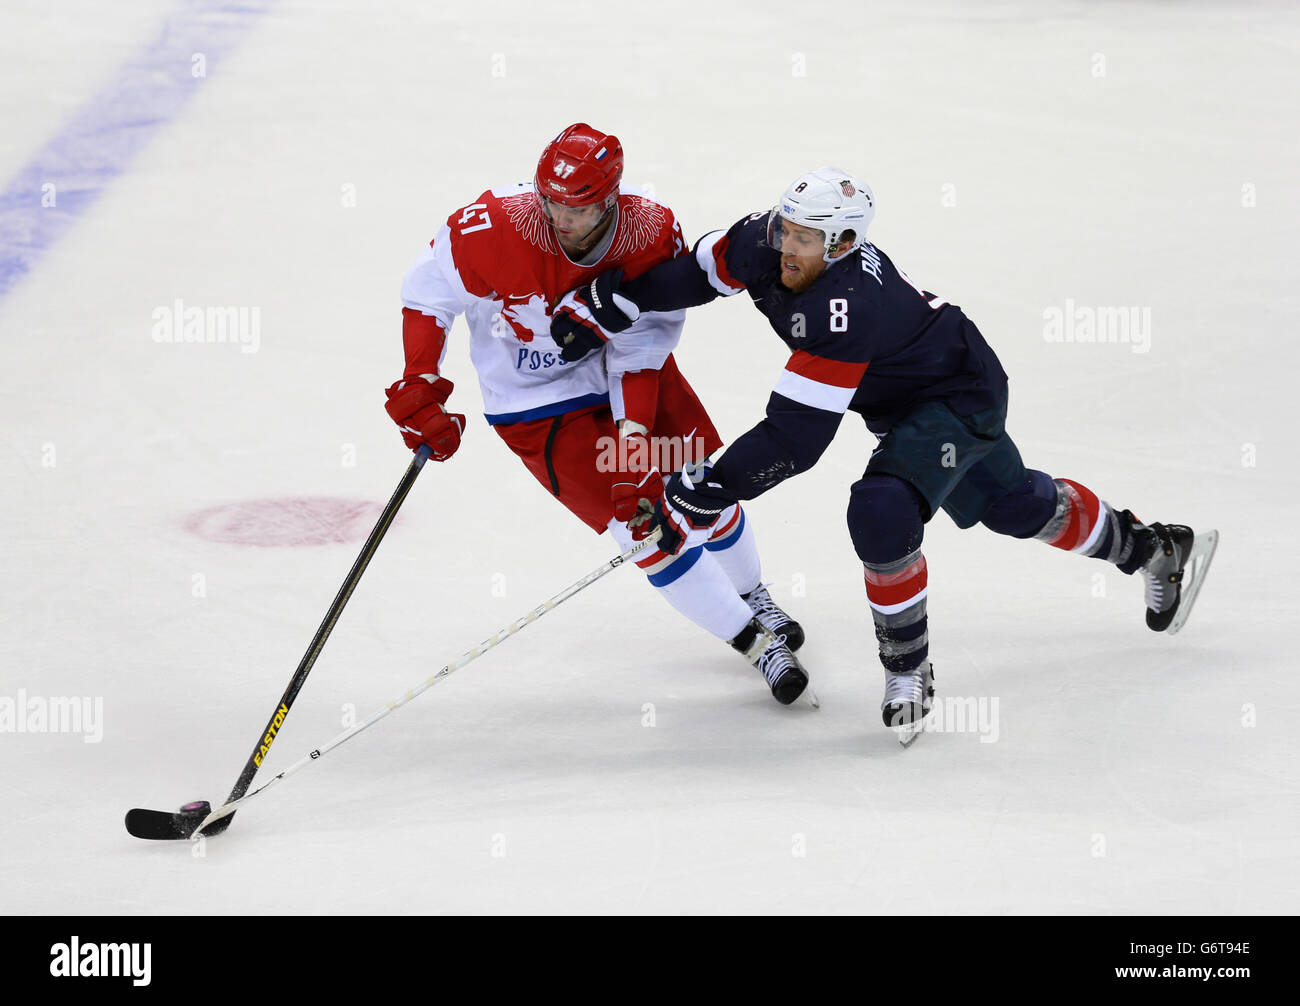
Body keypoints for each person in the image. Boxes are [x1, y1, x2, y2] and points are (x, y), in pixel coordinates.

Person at [549, 166, 1218, 737]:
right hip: (907, 391)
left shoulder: (847, 306)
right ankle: (1153, 548)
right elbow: (697, 275)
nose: (788, 245)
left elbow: (797, 439)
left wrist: (714, 484)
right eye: (787, 227)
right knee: (1014, 507)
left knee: (880, 507)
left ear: (843, 243)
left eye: (807, 238)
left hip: (956, 395)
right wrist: (619, 301)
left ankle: (908, 671)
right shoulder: (767, 237)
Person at [385, 124, 810, 705]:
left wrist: (632, 451)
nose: (560, 218)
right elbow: (428, 295)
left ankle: (753, 593)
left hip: (628, 370)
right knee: (643, 528)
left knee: (699, 491)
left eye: (578, 208)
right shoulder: (487, 228)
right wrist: (420, 380)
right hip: (534, 400)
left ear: (610, 200)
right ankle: (756, 643)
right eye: (551, 202)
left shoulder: (650, 232)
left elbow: (640, 352)